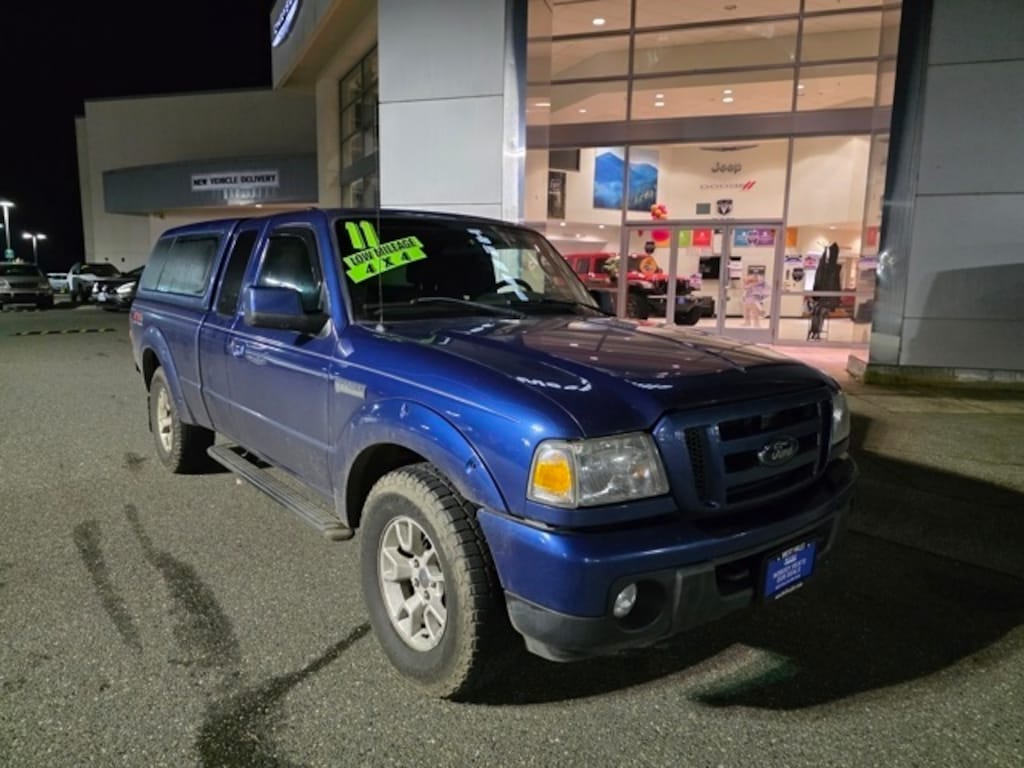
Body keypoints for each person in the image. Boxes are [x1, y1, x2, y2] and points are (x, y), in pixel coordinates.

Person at [808, 242, 840, 340]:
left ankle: (816, 331)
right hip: (822, 300)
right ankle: (815, 331)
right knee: (816, 312)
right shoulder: (824, 271)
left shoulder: (831, 271)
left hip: (826, 301)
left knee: (819, 312)